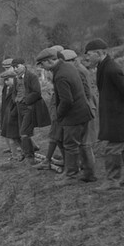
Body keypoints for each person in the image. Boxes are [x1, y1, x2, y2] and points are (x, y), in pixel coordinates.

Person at [83, 38, 124, 191]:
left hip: (119, 114)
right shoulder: (104, 67)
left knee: (112, 147)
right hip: (115, 113)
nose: (86, 58)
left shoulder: (111, 69)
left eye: (89, 55)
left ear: (98, 53)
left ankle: (112, 180)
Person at [35, 47, 97, 183]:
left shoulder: (60, 75)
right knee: (83, 145)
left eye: (42, 64)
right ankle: (89, 174)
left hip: (73, 115)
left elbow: (67, 100)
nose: (43, 68)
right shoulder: (68, 68)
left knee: (70, 146)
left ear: (50, 61)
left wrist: (59, 114)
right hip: (83, 112)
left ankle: (71, 175)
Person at [62, 49, 98, 177]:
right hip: (86, 107)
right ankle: (85, 169)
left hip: (86, 107)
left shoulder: (79, 71)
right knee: (83, 142)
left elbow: (86, 92)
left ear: (74, 60)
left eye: (66, 62)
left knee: (85, 142)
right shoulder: (77, 69)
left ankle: (89, 173)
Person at [12, 57, 45, 161]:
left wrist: (26, 100)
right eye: (13, 67)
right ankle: (30, 153)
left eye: (16, 66)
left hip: (29, 108)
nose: (15, 69)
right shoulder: (15, 78)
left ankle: (29, 156)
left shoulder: (32, 76)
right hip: (19, 107)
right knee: (24, 132)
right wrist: (15, 100)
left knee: (24, 132)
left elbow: (37, 92)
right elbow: (14, 92)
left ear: (23, 65)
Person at [0, 68, 22, 159]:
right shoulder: (8, 88)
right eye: (5, 80)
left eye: (7, 80)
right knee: (15, 136)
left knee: (14, 136)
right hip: (10, 115)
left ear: (13, 78)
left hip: (14, 115)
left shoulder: (17, 88)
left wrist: (12, 113)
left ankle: (16, 155)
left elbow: (17, 103)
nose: (6, 82)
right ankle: (21, 153)